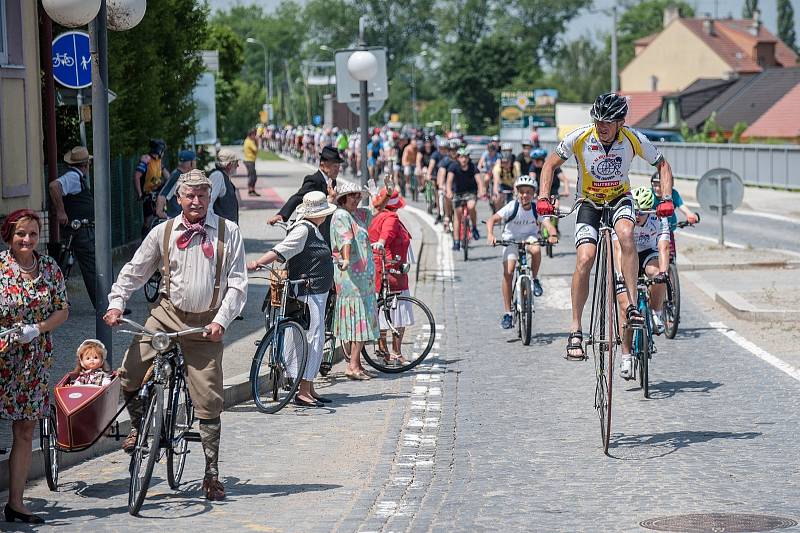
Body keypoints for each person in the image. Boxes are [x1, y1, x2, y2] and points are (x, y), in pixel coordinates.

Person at [103, 169, 247, 501]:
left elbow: (238, 284)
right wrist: (115, 304)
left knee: (209, 399)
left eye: (201, 195)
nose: (196, 201)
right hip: (167, 316)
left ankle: (211, 472)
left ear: (210, 197)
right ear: (179, 198)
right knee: (129, 372)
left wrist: (222, 321)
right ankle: (139, 426)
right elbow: (134, 271)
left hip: (206, 323)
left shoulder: (229, 231)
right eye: (189, 195)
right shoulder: (163, 232)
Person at [536, 93, 675, 359]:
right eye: (597, 121)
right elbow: (550, 164)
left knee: (626, 234)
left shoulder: (633, 138)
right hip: (589, 203)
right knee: (585, 259)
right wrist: (543, 197)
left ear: (620, 122)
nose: (601, 127)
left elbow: (662, 164)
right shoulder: (579, 137)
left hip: (620, 199)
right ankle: (576, 328)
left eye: (607, 122)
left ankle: (632, 305)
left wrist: (666, 198)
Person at [0, 209, 69, 524]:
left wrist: (38, 329)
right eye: (20, 234)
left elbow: (62, 311)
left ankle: (16, 503)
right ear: (9, 236)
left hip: (34, 359)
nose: (26, 240)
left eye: (32, 234)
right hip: (2, 355)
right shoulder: (1, 268)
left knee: (25, 429)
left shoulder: (50, 268)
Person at [247, 191, 336, 407]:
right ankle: (303, 390)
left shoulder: (311, 227)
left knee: (315, 337)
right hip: (309, 291)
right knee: (313, 339)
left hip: (316, 291)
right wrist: (258, 262)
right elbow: (281, 250)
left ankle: (309, 387)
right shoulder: (304, 229)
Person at [486, 176, 558, 329]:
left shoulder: (535, 208)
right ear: (517, 193)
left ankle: (535, 279)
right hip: (511, 239)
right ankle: (508, 313)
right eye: (522, 192)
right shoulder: (512, 207)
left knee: (537, 249)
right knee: (509, 272)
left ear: (534, 194)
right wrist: (491, 235)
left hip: (530, 238)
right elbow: (492, 219)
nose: (525, 195)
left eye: (529, 192)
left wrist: (552, 234)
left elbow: (547, 224)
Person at [614, 187, 671, 379]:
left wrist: (663, 273)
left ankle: (656, 312)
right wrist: (620, 275)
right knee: (625, 307)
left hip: (648, 254)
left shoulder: (658, 220)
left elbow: (663, 248)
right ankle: (626, 356)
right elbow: (618, 250)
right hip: (627, 257)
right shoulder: (622, 219)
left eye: (643, 212)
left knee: (657, 273)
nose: (638, 216)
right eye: (635, 212)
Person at [330, 180, 380, 380]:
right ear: (343, 198)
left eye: (358, 195)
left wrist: (387, 191)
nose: (357, 199)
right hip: (351, 277)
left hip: (362, 276)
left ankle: (356, 363)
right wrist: (344, 259)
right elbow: (345, 239)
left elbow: (376, 208)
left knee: (357, 320)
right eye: (353, 196)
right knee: (358, 320)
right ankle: (352, 365)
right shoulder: (341, 215)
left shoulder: (357, 215)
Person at [48, 146, 98, 309]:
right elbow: (54, 186)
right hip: (80, 230)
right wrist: (61, 211)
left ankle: (103, 302)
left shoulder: (78, 176)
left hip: (81, 228)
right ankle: (103, 304)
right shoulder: (73, 177)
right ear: (85, 164)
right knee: (92, 266)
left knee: (84, 265)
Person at [368, 186, 413, 362]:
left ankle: (384, 350)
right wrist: (383, 245)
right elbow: (386, 236)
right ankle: (394, 351)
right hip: (392, 269)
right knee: (397, 311)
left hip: (380, 269)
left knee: (383, 309)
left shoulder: (377, 216)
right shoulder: (391, 218)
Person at [269, 146, 343, 246]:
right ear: (322, 165)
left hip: (326, 227)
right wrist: (282, 215)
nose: (337, 170)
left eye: (338, 167)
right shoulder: (314, 179)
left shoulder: (332, 180)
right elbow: (298, 197)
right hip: (314, 229)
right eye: (335, 167)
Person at [447, 147, 482, 251]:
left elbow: (479, 181)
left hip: (471, 192)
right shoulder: (453, 167)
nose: (464, 159)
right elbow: (449, 181)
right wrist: (449, 191)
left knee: (471, 206)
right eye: (461, 157)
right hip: (458, 193)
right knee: (457, 214)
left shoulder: (473, 167)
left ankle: (474, 227)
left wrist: (481, 191)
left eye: (466, 157)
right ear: (458, 158)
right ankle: (456, 241)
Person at [133, 139, 170, 235]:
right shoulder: (146, 160)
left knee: (163, 215)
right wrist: (140, 193)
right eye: (163, 151)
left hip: (158, 191)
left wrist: (171, 182)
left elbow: (167, 176)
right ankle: (144, 240)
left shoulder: (158, 161)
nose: (164, 153)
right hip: (148, 193)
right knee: (148, 221)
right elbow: (137, 176)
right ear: (159, 150)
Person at [157, 149, 197, 220]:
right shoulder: (178, 176)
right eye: (194, 161)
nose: (195, 163)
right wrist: (160, 212)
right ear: (190, 163)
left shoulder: (181, 175)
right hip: (175, 217)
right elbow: (163, 194)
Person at [209, 148, 241, 224]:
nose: (238, 165)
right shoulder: (218, 176)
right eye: (236, 163)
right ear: (229, 165)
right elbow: (209, 201)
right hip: (221, 228)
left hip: (227, 227)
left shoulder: (224, 176)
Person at [244, 129, 260, 197]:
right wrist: (256, 141)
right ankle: (250, 190)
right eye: (254, 134)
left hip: (250, 161)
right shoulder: (249, 141)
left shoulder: (248, 140)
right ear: (250, 135)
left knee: (253, 176)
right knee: (252, 176)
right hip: (249, 161)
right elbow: (255, 149)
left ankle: (252, 190)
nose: (255, 136)